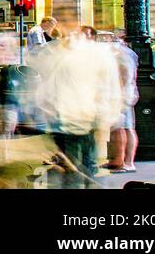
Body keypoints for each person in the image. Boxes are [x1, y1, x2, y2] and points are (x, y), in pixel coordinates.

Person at [31, 24, 124, 187]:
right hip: (67, 119)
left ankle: (83, 183)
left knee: (80, 162)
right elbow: (50, 86)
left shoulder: (95, 57)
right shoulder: (65, 57)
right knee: (76, 161)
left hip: (82, 118)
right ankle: (83, 183)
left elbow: (105, 88)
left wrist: (105, 116)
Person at [105, 33, 139, 173]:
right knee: (124, 127)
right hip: (126, 94)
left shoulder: (120, 54)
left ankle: (124, 162)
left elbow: (124, 75)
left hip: (121, 95)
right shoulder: (127, 53)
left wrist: (117, 93)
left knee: (122, 127)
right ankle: (122, 161)